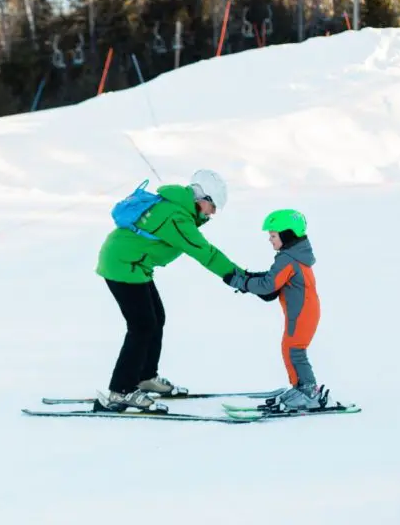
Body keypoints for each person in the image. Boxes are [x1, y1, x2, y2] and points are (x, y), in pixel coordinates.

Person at [93, 169, 243, 413]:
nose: (213, 213)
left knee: (155, 319)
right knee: (142, 326)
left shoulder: (178, 209)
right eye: (213, 206)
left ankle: (145, 377)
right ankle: (121, 391)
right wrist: (238, 277)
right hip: (122, 265)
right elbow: (205, 252)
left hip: (133, 264)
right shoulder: (177, 217)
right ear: (201, 199)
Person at [223, 209, 327, 411]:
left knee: (294, 350)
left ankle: (308, 392)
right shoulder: (293, 256)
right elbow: (273, 278)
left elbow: (267, 286)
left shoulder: (287, 259)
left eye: (273, 236)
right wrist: (250, 277)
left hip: (302, 314)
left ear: (287, 235)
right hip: (305, 311)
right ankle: (301, 388)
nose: (269, 240)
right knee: (292, 349)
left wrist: (240, 282)